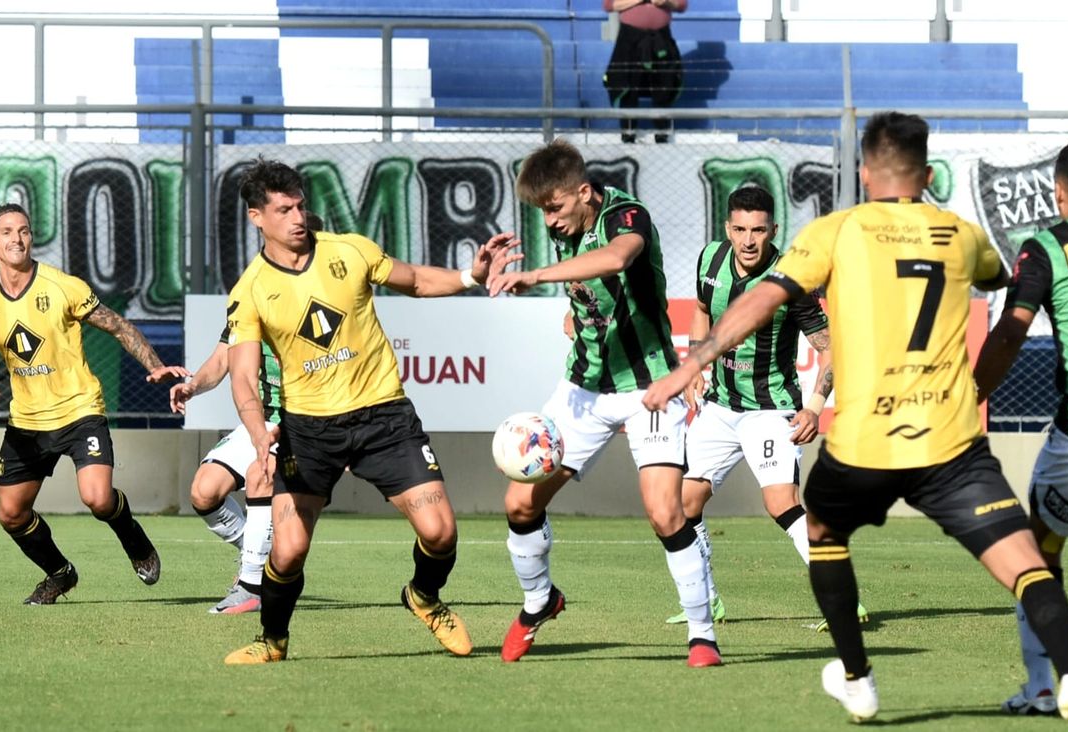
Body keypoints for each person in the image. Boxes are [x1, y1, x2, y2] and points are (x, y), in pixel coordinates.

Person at [642, 112, 1068, 728]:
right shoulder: (962, 234)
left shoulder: (836, 231)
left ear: (865, 172)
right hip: (949, 439)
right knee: (1027, 562)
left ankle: (858, 679)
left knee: (821, 532)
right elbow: (999, 281)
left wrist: (691, 362)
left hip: (867, 437)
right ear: (927, 174)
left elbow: (764, 298)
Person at [221, 158, 516, 664]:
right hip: (309, 431)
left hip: (384, 417)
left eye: (300, 206)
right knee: (288, 551)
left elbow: (416, 280)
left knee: (441, 531)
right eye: (284, 210)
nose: (298, 218)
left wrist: (471, 274)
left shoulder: (349, 250)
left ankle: (423, 596)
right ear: (257, 217)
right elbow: (243, 376)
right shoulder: (249, 290)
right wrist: (257, 432)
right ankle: (272, 640)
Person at [486, 138, 721, 668]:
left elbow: (616, 258)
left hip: (650, 387)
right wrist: (577, 317)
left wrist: (535, 277)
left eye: (554, 207)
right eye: (541, 211)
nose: (549, 221)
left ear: (585, 192)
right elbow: (589, 296)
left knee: (665, 512)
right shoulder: (564, 227)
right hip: (583, 389)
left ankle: (703, 635)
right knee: (519, 503)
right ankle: (539, 601)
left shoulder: (626, 215)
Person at [661, 186, 867, 632]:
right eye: (740, 230)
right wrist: (695, 365)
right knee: (682, 501)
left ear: (773, 229)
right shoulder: (710, 260)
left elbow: (830, 349)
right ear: (727, 229)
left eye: (758, 230)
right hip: (719, 406)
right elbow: (701, 310)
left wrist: (815, 407)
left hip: (770, 410)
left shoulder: (791, 279)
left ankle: (843, 600)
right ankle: (706, 600)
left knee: (780, 503)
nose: (749, 240)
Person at [0, 202, 188, 605]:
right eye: (7, 231)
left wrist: (155, 365)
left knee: (98, 498)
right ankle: (60, 574)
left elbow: (118, 326)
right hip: (27, 422)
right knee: (11, 514)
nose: (17, 239)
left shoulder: (62, 286)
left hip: (80, 410)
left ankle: (135, 542)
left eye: (24, 230)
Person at [973, 137, 1068, 721]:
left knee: (1038, 553)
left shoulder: (1048, 246)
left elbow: (1012, 330)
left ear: (1058, 193)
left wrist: (973, 394)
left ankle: (1043, 687)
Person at [169, 336, 279, 615]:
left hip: (300, 423)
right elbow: (221, 359)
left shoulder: (308, 313)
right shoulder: (244, 313)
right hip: (258, 423)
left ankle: (252, 587)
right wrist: (192, 386)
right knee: (204, 491)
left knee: (259, 474)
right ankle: (255, 550)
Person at [603, 0, 686, 144]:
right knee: (628, 87)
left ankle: (662, 133)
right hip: (629, 39)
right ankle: (628, 133)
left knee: (663, 85)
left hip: (661, 38)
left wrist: (666, 1)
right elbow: (609, 5)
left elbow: (681, 5)